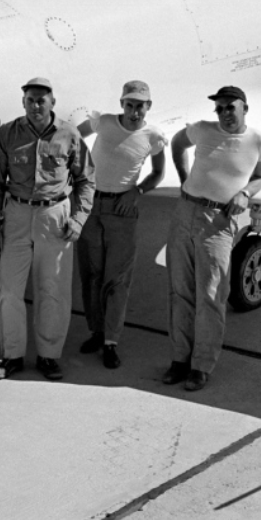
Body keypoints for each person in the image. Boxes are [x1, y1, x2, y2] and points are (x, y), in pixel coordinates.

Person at [0, 78, 94, 382]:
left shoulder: (69, 134)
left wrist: (78, 219)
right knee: (10, 290)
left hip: (54, 216)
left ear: (52, 103)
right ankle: (11, 356)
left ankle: (48, 356)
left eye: (41, 100)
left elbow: (86, 180)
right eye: (30, 100)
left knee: (53, 290)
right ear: (23, 103)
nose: (35, 106)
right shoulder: (8, 133)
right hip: (17, 215)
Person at [164, 85, 261, 392]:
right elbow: (177, 143)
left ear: (244, 109)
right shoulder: (202, 130)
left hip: (218, 222)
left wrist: (245, 193)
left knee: (211, 295)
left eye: (230, 107)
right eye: (220, 108)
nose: (225, 113)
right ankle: (179, 360)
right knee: (180, 291)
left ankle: (201, 366)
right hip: (184, 213)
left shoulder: (258, 141)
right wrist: (183, 178)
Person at [75, 80, 166, 370]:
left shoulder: (153, 136)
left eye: (140, 106)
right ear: (121, 104)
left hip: (122, 210)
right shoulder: (103, 122)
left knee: (117, 279)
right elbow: (73, 138)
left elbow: (158, 173)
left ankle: (111, 342)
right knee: (91, 274)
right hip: (90, 206)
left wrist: (137, 192)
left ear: (148, 106)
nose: (134, 111)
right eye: (129, 105)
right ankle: (96, 332)